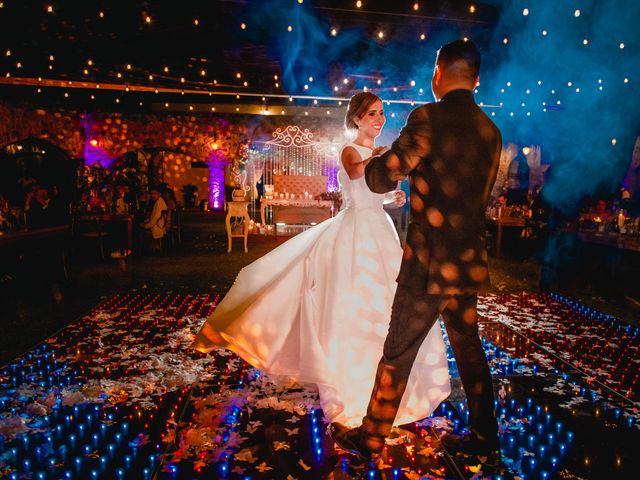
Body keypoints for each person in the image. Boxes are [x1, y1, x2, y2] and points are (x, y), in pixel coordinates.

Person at [193, 92, 451, 427]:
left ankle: (382, 372)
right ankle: (343, 375)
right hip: (354, 231)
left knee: (386, 300)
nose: (379, 119)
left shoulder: (377, 153)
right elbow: (358, 174)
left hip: (379, 230)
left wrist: (392, 195)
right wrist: (384, 159)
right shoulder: (351, 150)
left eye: (382, 113)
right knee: (347, 300)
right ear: (357, 118)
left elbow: (374, 192)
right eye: (372, 114)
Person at [331, 40, 502, 462]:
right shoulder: (490, 131)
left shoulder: (427, 117)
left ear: (438, 73)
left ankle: (370, 438)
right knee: (470, 350)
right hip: (466, 265)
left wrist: (376, 162)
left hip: (429, 265)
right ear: (476, 80)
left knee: (398, 350)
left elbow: (381, 177)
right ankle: (485, 437)